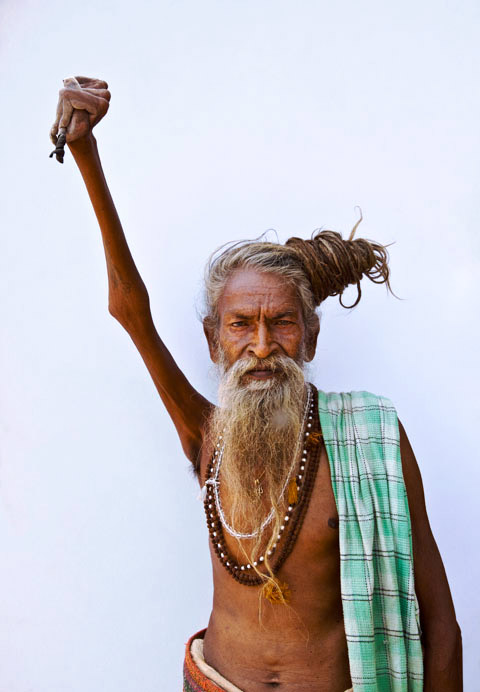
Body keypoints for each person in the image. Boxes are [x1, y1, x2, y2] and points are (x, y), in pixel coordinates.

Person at [50, 77, 462, 692]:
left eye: (282, 323)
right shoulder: (205, 434)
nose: (262, 346)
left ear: (312, 337)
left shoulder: (372, 438)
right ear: (215, 342)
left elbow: (440, 623)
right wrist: (86, 153)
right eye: (241, 325)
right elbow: (129, 310)